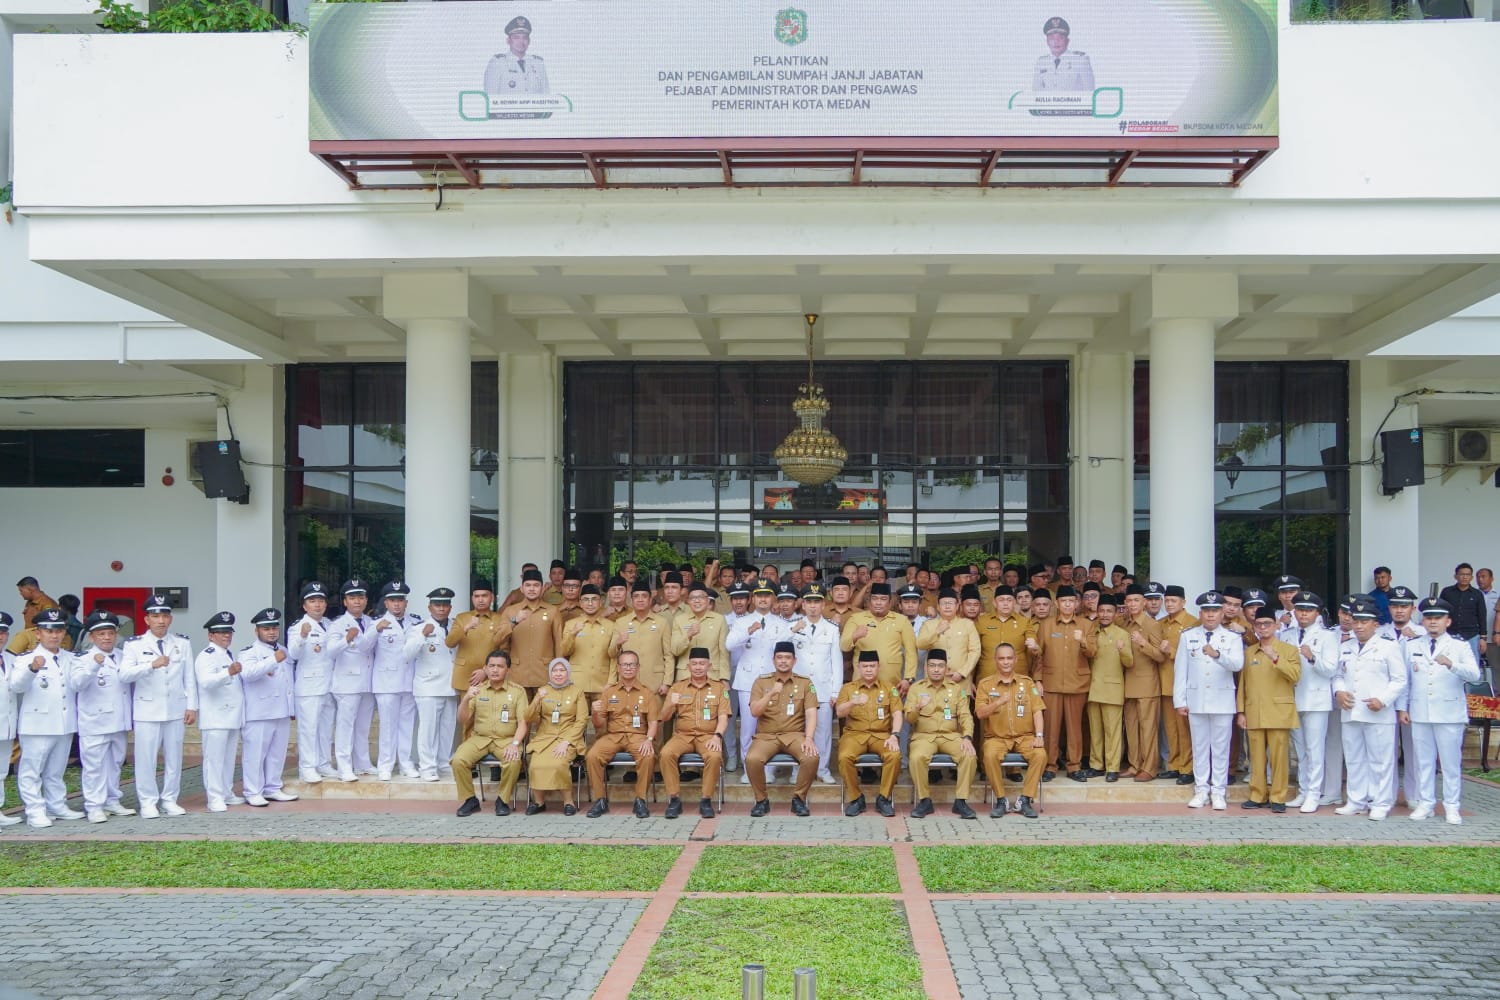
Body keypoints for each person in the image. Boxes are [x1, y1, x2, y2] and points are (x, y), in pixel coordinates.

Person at [1405, 598, 1481, 825]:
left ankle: (1451, 806)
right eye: (1428, 618)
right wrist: (1403, 708)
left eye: (1437, 618)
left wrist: (1452, 664)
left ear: (1448, 621)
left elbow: (1475, 675)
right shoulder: (1412, 644)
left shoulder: (1459, 646)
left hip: (1449, 712)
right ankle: (1426, 803)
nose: (1432, 622)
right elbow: (1406, 680)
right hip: (1420, 710)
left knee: (1449, 762)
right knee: (1423, 762)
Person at [120, 593, 196, 818]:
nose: (161, 620)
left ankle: (170, 799)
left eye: (165, 615)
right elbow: (124, 675)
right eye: (155, 616)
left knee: (174, 758)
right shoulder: (134, 645)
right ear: (146, 620)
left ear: (170, 619)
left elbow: (189, 678)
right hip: (147, 711)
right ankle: (148, 801)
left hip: (175, 709)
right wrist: (150, 665)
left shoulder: (181, 643)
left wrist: (192, 706)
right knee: (146, 759)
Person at [1333, 597, 1407, 821]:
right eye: (1356, 620)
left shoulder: (1388, 646)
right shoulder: (1345, 647)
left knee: (1380, 760)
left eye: (1364, 621)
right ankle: (1356, 800)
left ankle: (1380, 802)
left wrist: (1383, 700)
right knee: (1354, 759)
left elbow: (1400, 679)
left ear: (1375, 624)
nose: (1359, 625)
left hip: (1378, 712)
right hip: (1351, 710)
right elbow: (1337, 675)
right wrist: (1339, 692)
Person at [9, 609, 83, 828]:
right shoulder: (26, 658)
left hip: (64, 722)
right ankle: (34, 811)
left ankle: (56, 805)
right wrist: (32, 669)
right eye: (49, 630)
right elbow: (16, 686)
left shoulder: (70, 657)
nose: (54, 635)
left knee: (56, 770)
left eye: (58, 630)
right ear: (38, 633)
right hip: (37, 724)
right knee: (32, 770)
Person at [1173, 591, 1245, 810]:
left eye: (1215, 611)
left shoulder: (1232, 637)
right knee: (1200, 746)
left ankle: (1219, 791)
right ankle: (1201, 789)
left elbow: (1237, 665)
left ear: (1222, 612)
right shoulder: (1188, 635)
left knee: (1221, 748)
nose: (1211, 615)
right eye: (1206, 611)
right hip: (1196, 699)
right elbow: (1181, 670)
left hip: (1222, 699)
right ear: (1201, 612)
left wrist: (1217, 655)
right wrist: (1180, 700)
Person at [67, 611, 134, 823]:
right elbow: (76, 684)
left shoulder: (123, 656)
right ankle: (94, 805)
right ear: (92, 637)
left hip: (119, 720)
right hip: (95, 722)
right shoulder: (82, 658)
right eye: (101, 633)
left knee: (114, 763)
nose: (107, 637)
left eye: (110, 633)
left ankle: (112, 800)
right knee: (94, 766)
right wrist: (94, 665)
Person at [745, 640, 820, 817]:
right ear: (773, 660)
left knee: (812, 757)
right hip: (766, 736)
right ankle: (761, 800)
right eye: (779, 657)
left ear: (794, 660)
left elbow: (811, 714)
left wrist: (809, 738)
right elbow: (754, 712)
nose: (783, 661)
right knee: (752, 759)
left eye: (787, 657)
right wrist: (771, 693)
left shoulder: (805, 683)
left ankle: (799, 799)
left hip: (794, 735)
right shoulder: (761, 682)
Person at [1236, 607, 1301, 812]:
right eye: (1259, 624)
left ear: (1275, 625)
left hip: (1278, 710)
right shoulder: (1249, 652)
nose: (1263, 628)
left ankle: (1278, 797)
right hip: (1254, 710)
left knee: (1279, 757)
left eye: (1267, 624)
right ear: (1254, 627)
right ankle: (1257, 794)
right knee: (1255, 757)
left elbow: (1295, 675)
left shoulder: (1288, 650)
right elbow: (1243, 684)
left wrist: (1276, 658)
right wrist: (1241, 711)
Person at [728, 578, 792, 779]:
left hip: (772, 683)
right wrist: (748, 632)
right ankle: (749, 770)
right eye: (759, 596)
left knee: (770, 729)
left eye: (766, 595)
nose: (763, 599)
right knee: (748, 729)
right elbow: (729, 645)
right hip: (748, 681)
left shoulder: (781, 623)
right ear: (752, 599)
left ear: (773, 599)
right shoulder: (742, 622)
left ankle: (769, 769)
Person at [452, 650, 529, 817]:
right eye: (491, 666)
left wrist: (515, 744)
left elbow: (523, 722)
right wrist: (465, 698)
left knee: (513, 761)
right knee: (458, 760)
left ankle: (503, 800)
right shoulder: (477, 690)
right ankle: (470, 800)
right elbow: (463, 719)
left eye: (500, 666)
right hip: (480, 739)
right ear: (485, 668)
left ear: (507, 669)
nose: (495, 670)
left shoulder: (517, 691)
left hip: (506, 740)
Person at [1031, 585, 1096, 781]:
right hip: (1051, 683)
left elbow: (1093, 652)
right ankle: (1049, 765)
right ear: (1057, 604)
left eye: (1071, 601)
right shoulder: (1047, 625)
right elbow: (1039, 655)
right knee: (1051, 727)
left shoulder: (1086, 625)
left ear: (1077, 603)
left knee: (1075, 727)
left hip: (1078, 683)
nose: (1067, 604)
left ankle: (1074, 765)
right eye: (1063, 601)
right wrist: (1038, 680)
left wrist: (1083, 640)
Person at [584, 650, 659, 818]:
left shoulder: (647, 692)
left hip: (638, 736)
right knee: (592, 756)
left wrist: (649, 740)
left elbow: (654, 722)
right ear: (618, 668)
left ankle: (640, 800)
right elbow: (599, 724)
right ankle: (600, 799)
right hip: (613, 735)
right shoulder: (609, 692)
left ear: (638, 668)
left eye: (632, 664)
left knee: (648, 756)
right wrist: (594, 713)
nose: (628, 668)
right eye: (624, 664)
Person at [974, 643, 1046, 819]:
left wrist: (1039, 735)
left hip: (1025, 737)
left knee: (1040, 754)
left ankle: (1025, 799)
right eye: (1001, 658)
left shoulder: (1027, 683)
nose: (1005, 662)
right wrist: (998, 702)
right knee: (989, 755)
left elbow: (1037, 710)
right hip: (997, 738)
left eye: (1009, 658)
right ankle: (1001, 800)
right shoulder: (985, 684)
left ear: (1015, 660)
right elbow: (980, 713)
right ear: (995, 660)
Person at [1283, 591, 1339, 813]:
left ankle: (1315, 793)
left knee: (1315, 749)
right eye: (1299, 610)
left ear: (1317, 613)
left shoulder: (1327, 637)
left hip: (1316, 698)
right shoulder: (1287, 635)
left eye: (1308, 610)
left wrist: (1312, 657)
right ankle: (1304, 790)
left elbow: (1331, 669)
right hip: (1293, 698)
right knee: (1301, 749)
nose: (1303, 614)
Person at [658, 646, 730, 819]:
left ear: (709, 666)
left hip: (708, 736)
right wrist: (670, 704)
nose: (698, 667)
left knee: (713, 756)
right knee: (666, 753)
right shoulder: (677, 687)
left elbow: (723, 717)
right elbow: (665, 717)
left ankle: (706, 800)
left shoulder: (719, 688)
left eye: (702, 663)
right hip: (683, 735)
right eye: (694, 664)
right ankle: (674, 799)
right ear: (688, 666)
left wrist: (717, 736)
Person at [905, 649, 978, 819]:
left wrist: (967, 737)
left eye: (940, 666)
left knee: (969, 756)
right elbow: (909, 718)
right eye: (932, 666)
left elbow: (966, 716)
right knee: (916, 758)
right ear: (926, 667)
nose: (936, 669)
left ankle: (961, 801)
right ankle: (924, 801)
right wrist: (917, 707)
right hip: (924, 736)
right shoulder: (916, 689)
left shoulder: (956, 689)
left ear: (946, 668)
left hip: (950, 736)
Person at [238, 607, 299, 807]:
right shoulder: (249, 652)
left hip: (281, 710)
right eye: (266, 628)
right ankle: (252, 791)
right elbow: (248, 674)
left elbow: (288, 681)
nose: (271, 632)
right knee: (255, 755)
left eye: (274, 628)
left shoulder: (283, 650)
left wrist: (291, 708)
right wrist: (272, 660)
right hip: (259, 712)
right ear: (257, 631)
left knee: (277, 753)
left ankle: (272, 787)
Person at [834, 650, 903, 817]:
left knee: (894, 755)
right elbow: (839, 712)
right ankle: (857, 798)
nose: (869, 669)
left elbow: (897, 714)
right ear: (859, 667)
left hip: (881, 735)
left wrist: (895, 735)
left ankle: (884, 798)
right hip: (854, 735)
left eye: (872, 666)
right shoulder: (848, 688)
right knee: (844, 757)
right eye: (865, 666)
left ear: (879, 667)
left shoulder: (889, 688)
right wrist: (853, 702)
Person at [194, 612, 246, 813]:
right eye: (220, 632)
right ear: (210, 635)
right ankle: (214, 796)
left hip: (231, 715)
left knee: (228, 758)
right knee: (214, 759)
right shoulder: (206, 655)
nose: (226, 636)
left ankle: (226, 791)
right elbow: (206, 683)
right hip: (215, 717)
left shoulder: (226, 653)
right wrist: (228, 673)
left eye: (228, 632)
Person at [790, 582, 842, 784]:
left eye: (817, 602)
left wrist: (835, 691)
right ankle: (798, 768)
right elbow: (779, 653)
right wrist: (793, 630)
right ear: (802, 604)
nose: (812, 606)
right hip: (797, 689)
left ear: (823, 604)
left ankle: (822, 769)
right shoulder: (793, 625)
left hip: (823, 688)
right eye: (809, 601)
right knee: (797, 731)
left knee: (823, 731)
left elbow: (836, 663)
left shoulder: (831, 629)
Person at [407, 588, 458, 783]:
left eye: (445, 605)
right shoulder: (419, 627)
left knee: (448, 727)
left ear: (450, 607)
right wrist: (422, 636)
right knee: (428, 729)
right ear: (430, 607)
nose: (442, 609)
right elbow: (406, 654)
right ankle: (427, 766)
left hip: (450, 685)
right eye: (438, 605)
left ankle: (443, 763)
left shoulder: (455, 626)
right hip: (428, 686)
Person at [523, 657, 586, 815]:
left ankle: (568, 802)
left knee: (559, 764)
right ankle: (539, 802)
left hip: (568, 737)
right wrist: (537, 699)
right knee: (536, 764)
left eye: (562, 670)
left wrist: (567, 741)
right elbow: (529, 718)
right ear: (550, 673)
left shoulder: (577, 692)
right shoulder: (543, 691)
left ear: (568, 672)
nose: (558, 674)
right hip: (545, 738)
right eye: (555, 670)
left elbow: (581, 720)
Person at [371, 581, 420, 780]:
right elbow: (364, 648)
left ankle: (406, 762)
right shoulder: (376, 622)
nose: (397, 604)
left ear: (406, 602)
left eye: (400, 600)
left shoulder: (416, 622)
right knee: (388, 725)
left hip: (409, 680)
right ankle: (385, 764)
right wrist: (376, 630)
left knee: (407, 725)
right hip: (386, 682)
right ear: (386, 602)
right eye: (392, 600)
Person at [328, 579, 377, 783]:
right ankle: (344, 766)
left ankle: (362, 762)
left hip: (367, 682)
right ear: (345, 601)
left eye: (361, 597)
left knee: (363, 726)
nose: (357, 601)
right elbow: (330, 651)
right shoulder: (337, 624)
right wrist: (346, 639)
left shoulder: (370, 622)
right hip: (347, 684)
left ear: (366, 600)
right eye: (352, 598)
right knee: (346, 726)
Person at [288, 581, 337, 783]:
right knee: (308, 729)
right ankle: (307, 767)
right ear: (304, 605)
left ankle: (324, 763)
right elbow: (293, 654)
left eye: (321, 601)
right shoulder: (298, 627)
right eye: (312, 601)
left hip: (329, 685)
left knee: (326, 728)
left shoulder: (330, 624)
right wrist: (302, 636)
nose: (317, 605)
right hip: (309, 687)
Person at [495, 568, 565, 698]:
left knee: (545, 715)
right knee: (521, 715)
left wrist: (559, 669)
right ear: (521, 588)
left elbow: (559, 644)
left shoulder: (552, 611)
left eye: (536, 585)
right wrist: (514, 621)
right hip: (518, 673)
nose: (532, 589)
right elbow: (497, 639)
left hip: (545, 672)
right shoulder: (511, 611)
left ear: (542, 588)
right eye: (528, 585)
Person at [840, 582, 919, 690]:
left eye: (883, 599)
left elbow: (911, 652)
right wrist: (855, 636)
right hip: (862, 682)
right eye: (875, 599)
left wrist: (908, 678)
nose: (878, 602)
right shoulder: (856, 619)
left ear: (890, 602)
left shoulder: (902, 621)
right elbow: (843, 646)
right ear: (869, 601)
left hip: (892, 682)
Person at [1086, 594, 1131, 782]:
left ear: (1115, 614)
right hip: (1093, 688)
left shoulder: (1122, 634)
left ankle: (1112, 767)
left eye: (1109, 611)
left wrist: (1123, 650)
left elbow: (1129, 662)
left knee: (1113, 732)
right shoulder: (1091, 632)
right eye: (1102, 611)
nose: (1104, 614)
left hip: (1112, 689)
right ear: (1097, 612)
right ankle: (1096, 765)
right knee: (1095, 730)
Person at [1120, 585, 1163, 782]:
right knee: (1131, 728)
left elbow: (1161, 656)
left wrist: (1143, 643)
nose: (1132, 604)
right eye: (1129, 601)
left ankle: (1149, 767)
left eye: (1136, 600)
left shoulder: (1151, 625)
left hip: (1147, 684)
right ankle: (1134, 764)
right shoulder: (1124, 624)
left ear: (1144, 602)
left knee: (1148, 729)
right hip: (1128, 683)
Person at [1158, 585, 1197, 783]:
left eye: (1174, 601)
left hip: (1184, 684)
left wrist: (1171, 650)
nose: (1170, 604)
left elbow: (1194, 655)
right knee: (1170, 729)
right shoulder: (1161, 623)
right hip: (1165, 683)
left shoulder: (1193, 623)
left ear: (1183, 602)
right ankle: (1173, 765)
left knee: (1184, 730)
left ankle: (1187, 768)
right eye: (1167, 601)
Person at [917, 588, 982, 689]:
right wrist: (937, 632)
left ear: (957, 606)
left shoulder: (967, 624)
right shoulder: (928, 624)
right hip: (934, 681)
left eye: (951, 603)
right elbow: (920, 644)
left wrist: (962, 673)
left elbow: (975, 651)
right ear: (938, 607)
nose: (947, 606)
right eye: (944, 603)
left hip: (961, 681)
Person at [446, 581, 502, 697]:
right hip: (466, 676)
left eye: (484, 596)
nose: (480, 600)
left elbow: (504, 649)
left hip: (491, 674)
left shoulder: (499, 619)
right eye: (477, 596)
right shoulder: (462, 618)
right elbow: (450, 642)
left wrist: (486, 671)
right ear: (472, 598)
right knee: (465, 713)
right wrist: (466, 628)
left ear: (491, 597)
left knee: (488, 713)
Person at [1438, 562, 1489, 664]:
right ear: (1456, 576)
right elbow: (1441, 613)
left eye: (1467, 575)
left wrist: (1483, 638)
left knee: (1472, 667)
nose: (1465, 577)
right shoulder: (1447, 592)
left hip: (1472, 636)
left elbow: (1482, 616)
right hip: (1450, 634)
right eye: (1462, 574)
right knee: (1449, 665)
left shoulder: (1477, 594)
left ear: (1471, 577)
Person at [484, 16, 550, 94]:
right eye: (516, 38)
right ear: (508, 41)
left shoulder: (538, 63)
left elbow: (546, 95)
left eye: (524, 38)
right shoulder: (497, 63)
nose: (521, 42)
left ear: (529, 41)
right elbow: (490, 97)